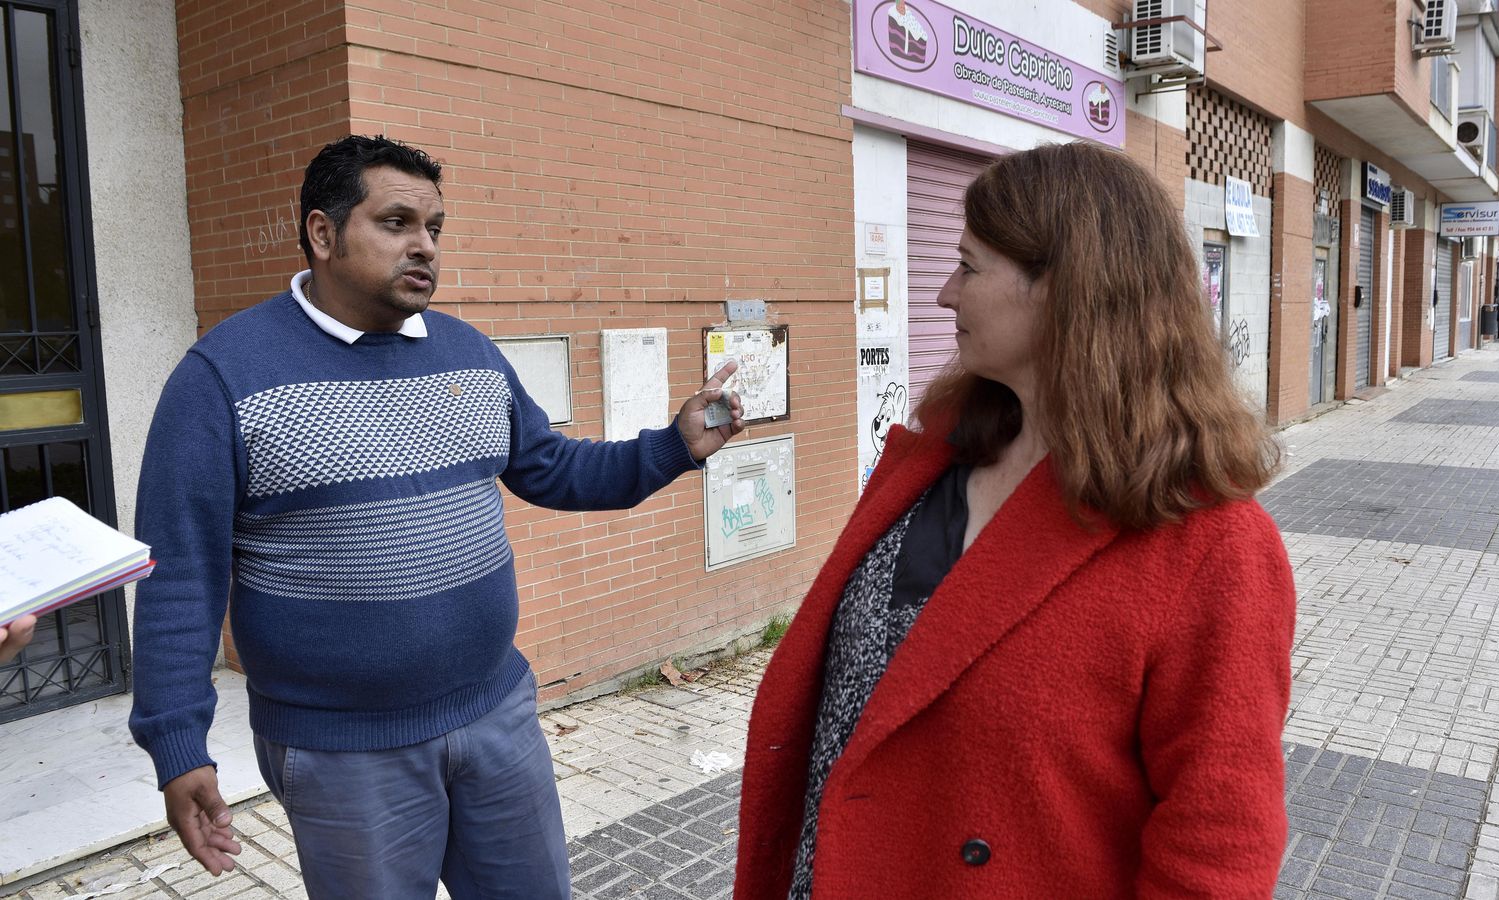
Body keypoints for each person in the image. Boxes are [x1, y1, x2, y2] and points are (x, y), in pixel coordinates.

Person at [128, 135, 744, 900]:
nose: (424, 247)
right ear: (323, 234)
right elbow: (178, 575)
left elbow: (551, 468)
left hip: (497, 716)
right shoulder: (222, 378)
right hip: (341, 751)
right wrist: (178, 742)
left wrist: (673, 447)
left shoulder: (469, 353)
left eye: (435, 228)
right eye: (396, 223)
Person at [734, 143, 1295, 899]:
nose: (942, 293)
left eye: (968, 266)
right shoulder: (931, 457)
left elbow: (1218, 847)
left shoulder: (1211, 546)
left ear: (1063, 289)